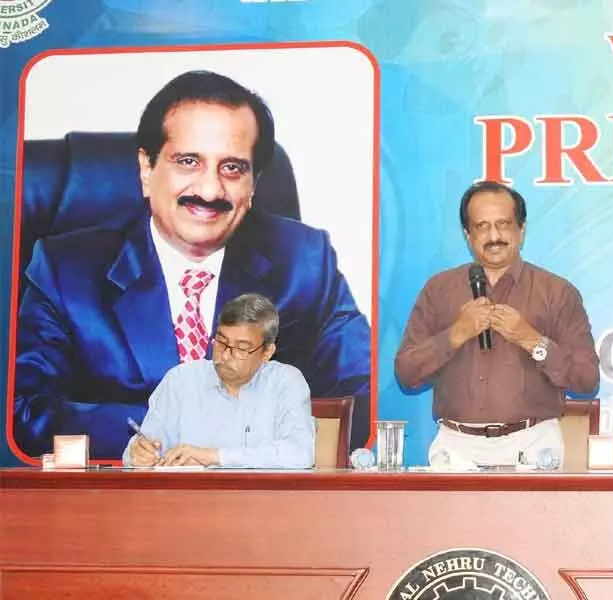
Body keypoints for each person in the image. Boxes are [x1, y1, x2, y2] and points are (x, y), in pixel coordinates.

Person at [14, 70, 370, 460]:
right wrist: (178, 428)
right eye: (188, 161)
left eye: (232, 168)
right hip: (118, 504)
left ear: (253, 185)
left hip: (262, 504)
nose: (209, 190)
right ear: (147, 169)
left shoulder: (304, 261)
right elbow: (28, 413)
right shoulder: (66, 271)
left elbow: (362, 395)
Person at [395, 180, 599, 468]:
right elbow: (406, 373)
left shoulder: (557, 293)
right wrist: (455, 334)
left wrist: (532, 340)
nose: (494, 236)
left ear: (521, 230)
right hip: (455, 447)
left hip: (533, 446)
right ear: (468, 235)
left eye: (503, 224)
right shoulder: (438, 290)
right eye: (482, 226)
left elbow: (587, 379)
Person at [124, 294, 314, 468]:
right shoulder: (181, 381)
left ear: (267, 352)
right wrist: (138, 454)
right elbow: (144, 445)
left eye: (241, 347)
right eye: (222, 342)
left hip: (262, 502)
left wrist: (212, 457)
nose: (226, 355)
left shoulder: (285, 382)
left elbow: (299, 454)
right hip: (189, 501)